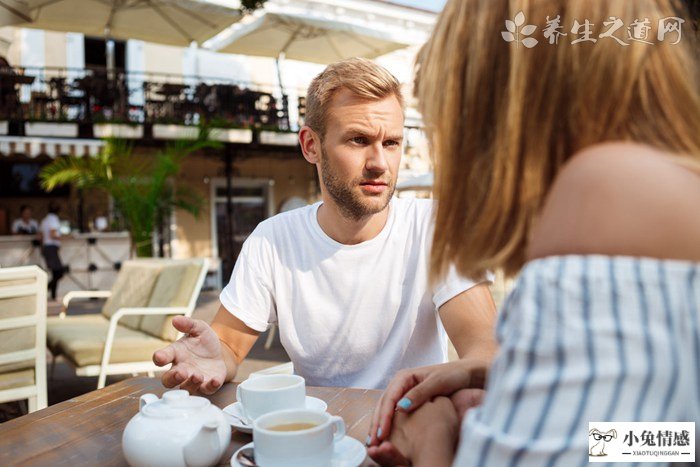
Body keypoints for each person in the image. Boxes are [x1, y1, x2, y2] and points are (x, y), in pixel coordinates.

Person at [366, 0, 700, 465]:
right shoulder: (670, 183)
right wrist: (503, 378)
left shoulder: (606, 190)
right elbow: (671, 442)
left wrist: (430, 441)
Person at [153, 58, 498, 393]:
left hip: (412, 427)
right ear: (310, 145)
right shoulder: (273, 240)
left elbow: (484, 347)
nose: (380, 163)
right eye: (359, 140)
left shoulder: (436, 227)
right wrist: (213, 358)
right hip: (314, 434)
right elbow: (228, 345)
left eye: (391, 142)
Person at [40, 202, 65, 301]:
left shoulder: (44, 220)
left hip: (47, 248)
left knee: (55, 273)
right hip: (51, 248)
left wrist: (42, 248)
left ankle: (53, 295)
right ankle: (44, 289)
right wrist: (65, 237)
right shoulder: (53, 219)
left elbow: (40, 235)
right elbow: (53, 234)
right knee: (59, 272)